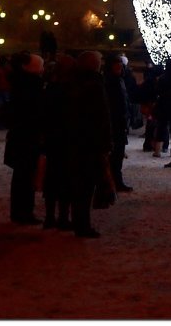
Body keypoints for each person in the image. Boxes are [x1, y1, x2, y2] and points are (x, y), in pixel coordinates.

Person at [42, 53, 112, 237]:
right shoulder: (93, 86)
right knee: (85, 186)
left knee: (73, 183)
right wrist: (104, 144)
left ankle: (69, 219)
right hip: (87, 143)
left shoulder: (69, 85)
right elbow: (100, 118)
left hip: (70, 142)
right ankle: (82, 224)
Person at [3, 53, 46, 224]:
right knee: (26, 175)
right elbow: (35, 112)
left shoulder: (19, 83)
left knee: (21, 175)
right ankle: (24, 212)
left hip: (20, 135)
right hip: (28, 136)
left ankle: (19, 211)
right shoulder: (31, 85)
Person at [104, 54, 133, 192]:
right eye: (116, 65)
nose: (119, 67)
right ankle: (113, 181)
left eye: (120, 65)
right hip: (114, 124)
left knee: (118, 154)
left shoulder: (119, 80)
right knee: (114, 155)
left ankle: (116, 180)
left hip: (120, 123)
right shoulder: (110, 81)